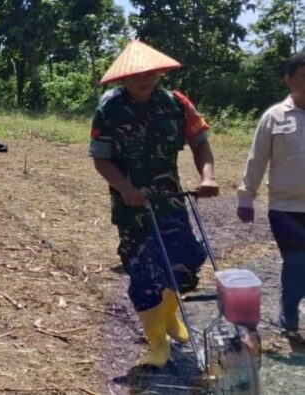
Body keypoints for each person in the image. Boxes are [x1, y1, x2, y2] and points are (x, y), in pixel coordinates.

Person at [89, 40, 219, 367]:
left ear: (158, 71)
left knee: (186, 265)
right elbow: (101, 160)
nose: (143, 79)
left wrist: (207, 177)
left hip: (171, 201)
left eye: (148, 73)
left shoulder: (177, 104)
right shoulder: (109, 110)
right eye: (135, 75)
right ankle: (157, 342)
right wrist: (126, 188)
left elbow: (200, 144)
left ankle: (170, 316)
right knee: (144, 275)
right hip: (133, 209)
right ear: (123, 78)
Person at [237, 53, 305, 334]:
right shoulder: (274, 118)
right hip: (285, 207)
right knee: (297, 261)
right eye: (303, 76)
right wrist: (246, 197)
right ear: (288, 79)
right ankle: (289, 314)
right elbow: (257, 159)